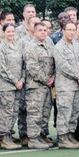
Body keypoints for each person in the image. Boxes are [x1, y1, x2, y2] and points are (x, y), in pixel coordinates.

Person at [52, 20, 79, 149]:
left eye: (73, 30)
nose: (72, 32)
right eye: (69, 30)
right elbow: (63, 66)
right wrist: (78, 76)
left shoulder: (76, 45)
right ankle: (63, 137)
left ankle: (71, 135)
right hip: (65, 86)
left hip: (77, 85)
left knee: (75, 112)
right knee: (65, 111)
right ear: (63, 31)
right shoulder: (59, 47)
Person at [23, 21, 55, 150]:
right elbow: (32, 67)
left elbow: (53, 63)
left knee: (45, 112)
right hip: (35, 85)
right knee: (35, 113)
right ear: (34, 32)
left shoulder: (49, 44)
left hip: (47, 86)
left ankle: (41, 135)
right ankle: (33, 138)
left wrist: (52, 77)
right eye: (40, 30)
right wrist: (46, 79)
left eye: (45, 30)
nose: (43, 32)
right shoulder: (31, 47)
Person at [0, 23, 24, 150]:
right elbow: (2, 69)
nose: (11, 34)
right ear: (4, 32)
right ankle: (5, 139)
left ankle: (10, 137)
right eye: (9, 32)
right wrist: (15, 81)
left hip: (17, 85)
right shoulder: (1, 48)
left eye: (13, 31)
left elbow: (23, 65)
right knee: (5, 113)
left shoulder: (17, 46)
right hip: (6, 86)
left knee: (13, 112)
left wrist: (21, 79)